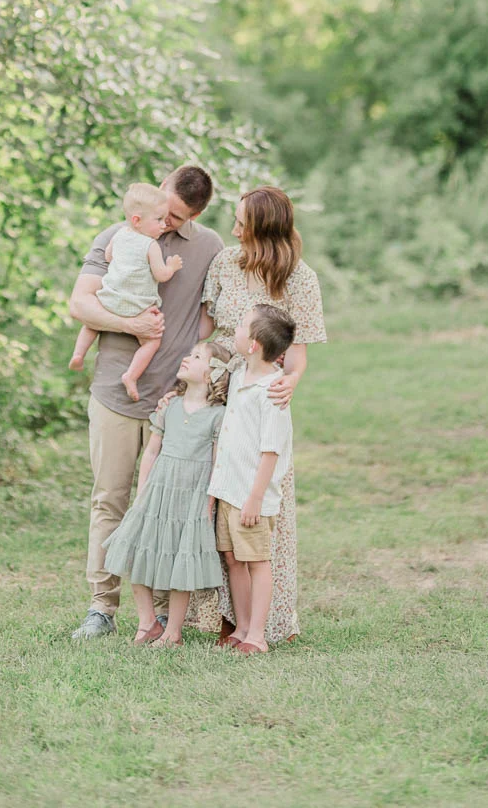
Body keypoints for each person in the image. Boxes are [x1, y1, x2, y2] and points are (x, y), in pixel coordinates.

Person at [68, 164, 223, 641]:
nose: (170, 222)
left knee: (165, 505)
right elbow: (81, 304)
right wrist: (134, 327)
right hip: (116, 392)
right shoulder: (119, 233)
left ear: (195, 214)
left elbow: (209, 314)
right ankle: (101, 607)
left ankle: (157, 611)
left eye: (181, 218)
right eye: (167, 211)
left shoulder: (209, 247)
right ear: (159, 191)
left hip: (176, 403)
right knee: (110, 499)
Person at [195, 185, 326, 644]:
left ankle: (263, 625)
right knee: (219, 506)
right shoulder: (227, 263)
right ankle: (223, 616)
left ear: (264, 229)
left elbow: (298, 353)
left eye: (241, 222)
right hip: (217, 387)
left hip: (261, 394)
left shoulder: (300, 278)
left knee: (257, 503)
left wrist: (291, 381)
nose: (233, 230)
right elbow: (206, 328)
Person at [102, 338, 234, 647]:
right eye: (190, 352)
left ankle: (173, 632)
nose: (187, 357)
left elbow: (217, 461)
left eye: (197, 355)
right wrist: (142, 491)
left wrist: (210, 499)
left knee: (181, 562)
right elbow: (151, 453)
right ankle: (147, 621)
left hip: (192, 497)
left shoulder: (217, 415)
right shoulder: (170, 405)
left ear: (211, 374)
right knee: (136, 548)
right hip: (158, 490)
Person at [208, 304, 296, 655]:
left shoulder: (272, 391)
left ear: (254, 343)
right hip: (228, 489)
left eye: (242, 325)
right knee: (232, 560)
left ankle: (257, 636)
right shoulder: (240, 374)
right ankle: (242, 626)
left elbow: (271, 450)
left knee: (257, 562)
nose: (237, 329)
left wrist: (256, 498)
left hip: (250, 495)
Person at [68, 183, 183, 401]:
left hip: (111, 300)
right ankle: (131, 376)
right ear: (137, 220)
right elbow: (160, 275)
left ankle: (78, 353)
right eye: (158, 220)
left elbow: (109, 256)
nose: (164, 224)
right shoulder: (151, 246)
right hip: (138, 308)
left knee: (92, 323)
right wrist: (172, 266)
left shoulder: (119, 234)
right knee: (152, 342)